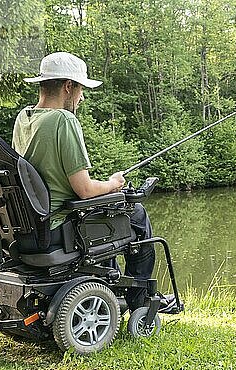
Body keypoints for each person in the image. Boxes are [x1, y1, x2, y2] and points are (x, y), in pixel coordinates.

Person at [13, 52, 165, 311]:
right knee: (136, 214)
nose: (82, 97)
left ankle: (111, 290)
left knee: (109, 217)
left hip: (28, 227)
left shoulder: (24, 118)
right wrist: (113, 183)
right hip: (58, 225)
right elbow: (84, 190)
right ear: (68, 87)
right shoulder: (63, 120)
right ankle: (140, 303)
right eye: (81, 89)